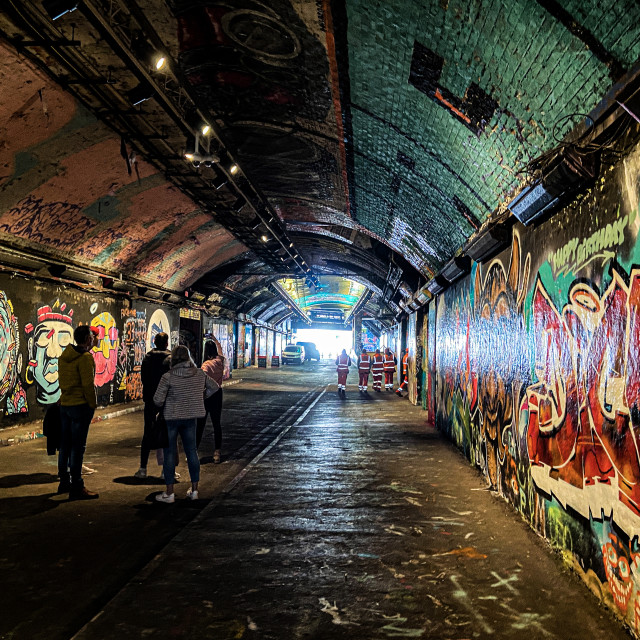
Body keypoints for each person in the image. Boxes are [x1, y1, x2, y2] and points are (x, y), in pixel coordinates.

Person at [153, 345, 219, 503]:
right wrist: (201, 396)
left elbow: (157, 400)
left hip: (171, 418)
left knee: (169, 453)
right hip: (191, 418)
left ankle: (169, 493)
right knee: (191, 452)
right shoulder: (199, 374)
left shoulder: (168, 376)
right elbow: (215, 387)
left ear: (173, 359)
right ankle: (194, 491)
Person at [57, 324, 99, 500]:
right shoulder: (85, 358)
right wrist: (92, 404)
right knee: (77, 448)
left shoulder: (64, 356)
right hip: (80, 406)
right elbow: (88, 385)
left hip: (65, 405)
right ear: (88, 339)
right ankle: (77, 487)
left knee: (65, 446)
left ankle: (64, 482)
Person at [134, 332, 171, 478]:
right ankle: (165, 471)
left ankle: (143, 469)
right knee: (167, 434)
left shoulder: (147, 357)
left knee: (147, 432)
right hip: (167, 401)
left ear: (154, 342)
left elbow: (144, 378)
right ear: (166, 343)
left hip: (150, 399)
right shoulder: (171, 358)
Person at [197, 336, 225, 463]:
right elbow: (220, 351)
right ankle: (217, 452)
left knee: (200, 425)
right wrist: (215, 340)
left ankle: (194, 451)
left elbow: (203, 380)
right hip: (218, 394)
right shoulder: (220, 362)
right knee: (216, 424)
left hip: (206, 395)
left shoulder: (206, 365)